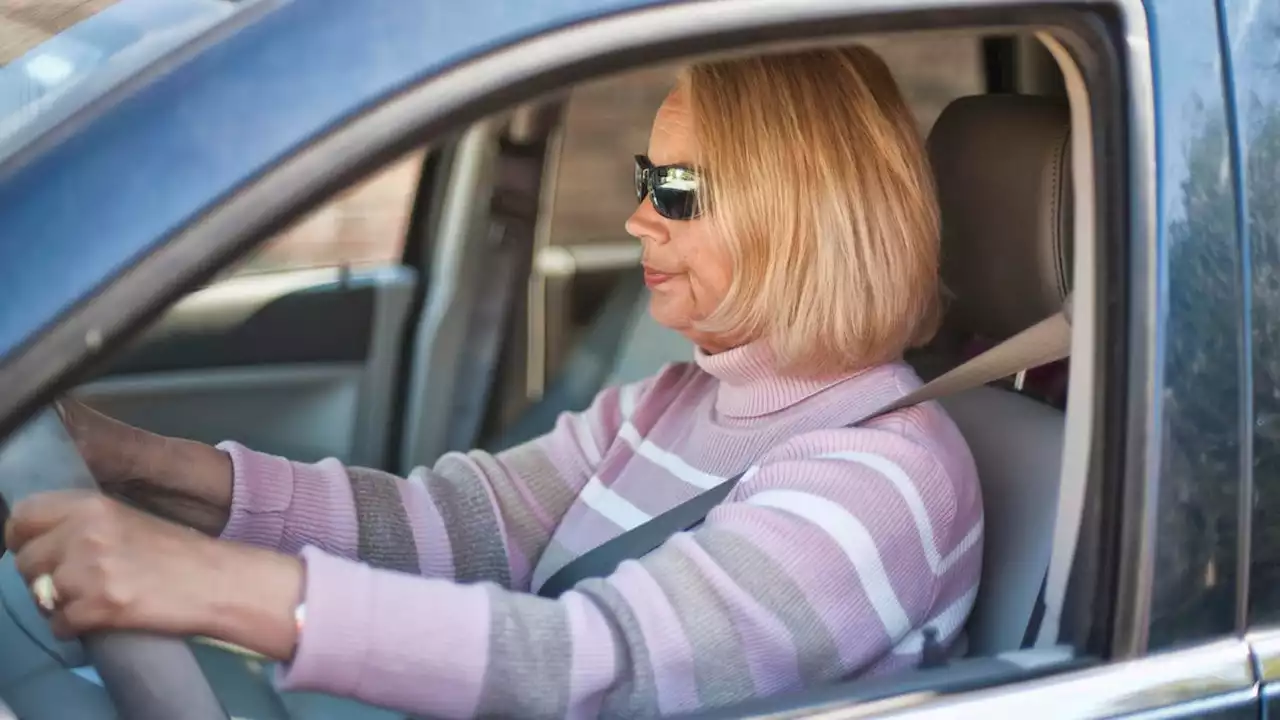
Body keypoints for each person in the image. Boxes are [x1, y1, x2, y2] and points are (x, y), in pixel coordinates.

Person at [5, 46, 981, 719]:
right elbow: (457, 524)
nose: (639, 219)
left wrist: (217, 589)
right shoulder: (675, 401)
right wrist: (133, 461)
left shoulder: (881, 483)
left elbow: (599, 667)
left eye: (674, 192)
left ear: (797, 215)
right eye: (645, 181)